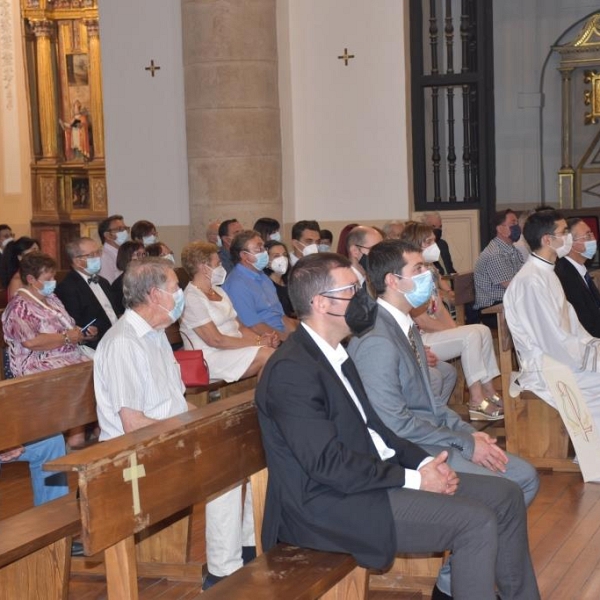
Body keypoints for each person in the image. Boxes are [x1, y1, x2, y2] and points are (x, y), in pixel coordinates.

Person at [256, 252, 539, 600]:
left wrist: (423, 463)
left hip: (366, 482)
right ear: (321, 303)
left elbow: (377, 430)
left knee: (506, 495)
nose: (363, 298)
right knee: (475, 522)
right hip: (327, 505)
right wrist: (416, 479)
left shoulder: (335, 353)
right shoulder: (293, 371)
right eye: (352, 290)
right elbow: (327, 464)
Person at [348, 239, 539, 597]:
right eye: (418, 269)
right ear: (392, 280)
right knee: (511, 487)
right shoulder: (377, 338)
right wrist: (463, 443)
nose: (429, 275)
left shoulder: (404, 325)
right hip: (414, 451)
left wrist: (471, 435)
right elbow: (393, 424)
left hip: (433, 437)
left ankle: (455, 579)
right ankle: (463, 581)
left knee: (524, 476)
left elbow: (433, 405)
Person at [94, 258, 255, 591]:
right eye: (174, 288)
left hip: (167, 437)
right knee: (224, 467)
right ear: (155, 295)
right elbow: (132, 422)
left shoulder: (154, 334)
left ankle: (247, 548)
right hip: (133, 454)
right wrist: (191, 436)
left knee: (247, 449)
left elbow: (175, 400)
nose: (180, 294)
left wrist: (201, 428)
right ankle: (224, 571)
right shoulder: (125, 342)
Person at [504, 209, 600, 432]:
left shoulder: (547, 273)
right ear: (547, 239)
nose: (568, 236)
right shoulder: (531, 281)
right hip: (546, 368)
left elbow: (573, 325)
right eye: (564, 231)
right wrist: (593, 358)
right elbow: (553, 342)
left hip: (565, 357)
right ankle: (591, 452)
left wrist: (594, 347)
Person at [403, 222, 503, 420]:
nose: (434, 245)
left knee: (480, 331)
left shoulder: (430, 271)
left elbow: (438, 308)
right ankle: (476, 400)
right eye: (429, 241)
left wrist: (455, 330)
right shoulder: (409, 275)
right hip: (418, 340)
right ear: (416, 244)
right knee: (471, 335)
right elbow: (421, 320)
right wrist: (458, 333)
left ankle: (489, 390)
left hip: (432, 334)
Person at [2, 252, 95, 457]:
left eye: (53, 277)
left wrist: (81, 332)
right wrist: (68, 338)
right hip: (35, 362)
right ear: (31, 280)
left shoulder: (51, 298)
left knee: (100, 365)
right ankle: (73, 435)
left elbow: (67, 325)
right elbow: (31, 342)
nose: (53, 282)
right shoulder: (19, 307)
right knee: (78, 373)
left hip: (67, 353)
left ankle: (81, 431)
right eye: (48, 279)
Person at [179, 241, 277, 382]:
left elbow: (241, 328)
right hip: (210, 358)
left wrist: (262, 341)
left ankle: (264, 400)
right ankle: (266, 401)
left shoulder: (219, 290)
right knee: (268, 355)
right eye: (217, 264)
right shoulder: (191, 298)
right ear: (203, 267)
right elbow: (216, 340)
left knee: (274, 354)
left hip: (234, 350)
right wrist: (258, 343)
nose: (222, 267)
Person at [222, 230, 297, 340]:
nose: (264, 252)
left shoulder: (263, 276)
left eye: (264, 248)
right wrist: (285, 341)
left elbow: (281, 316)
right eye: (259, 249)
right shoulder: (236, 284)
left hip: (281, 335)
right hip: (264, 339)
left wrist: (296, 337)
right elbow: (254, 327)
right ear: (244, 256)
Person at [56, 237, 119, 350]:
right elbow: (74, 326)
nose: (98, 257)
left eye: (98, 252)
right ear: (77, 261)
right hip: (94, 347)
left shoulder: (103, 282)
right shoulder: (67, 288)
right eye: (91, 255)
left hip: (117, 339)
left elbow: (113, 312)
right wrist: (92, 332)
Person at [474, 209, 525, 328]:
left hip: (508, 303)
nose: (517, 227)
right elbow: (510, 285)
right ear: (500, 229)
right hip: (492, 309)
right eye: (513, 224)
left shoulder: (512, 249)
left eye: (517, 223)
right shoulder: (495, 253)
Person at [554, 217, 600, 338]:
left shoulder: (578, 269)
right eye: (588, 236)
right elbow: (584, 323)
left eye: (592, 234)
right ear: (570, 243)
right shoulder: (565, 276)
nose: (594, 240)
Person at [111, 241, 146, 316]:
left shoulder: (146, 278)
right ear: (126, 257)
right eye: (138, 254)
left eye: (144, 254)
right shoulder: (118, 285)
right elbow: (119, 313)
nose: (142, 258)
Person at [264, 240, 295, 317]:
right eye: (276, 256)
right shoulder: (264, 284)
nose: (283, 259)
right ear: (266, 260)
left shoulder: (290, 281)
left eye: (285, 255)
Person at [98, 214, 130, 284]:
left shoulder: (122, 253)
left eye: (125, 228)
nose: (124, 232)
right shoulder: (104, 257)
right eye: (120, 229)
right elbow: (108, 285)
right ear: (107, 235)